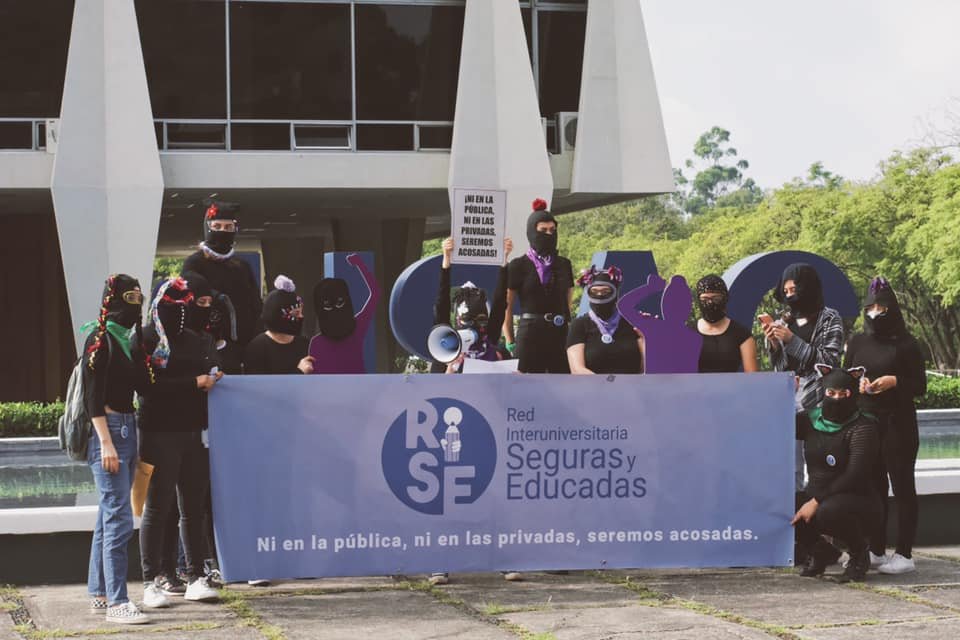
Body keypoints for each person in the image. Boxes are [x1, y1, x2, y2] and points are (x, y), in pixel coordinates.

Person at [138, 277, 223, 608]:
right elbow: (147, 386)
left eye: (186, 304)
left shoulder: (195, 339)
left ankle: (195, 576)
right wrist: (193, 383)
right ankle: (151, 580)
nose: (182, 312)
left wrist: (213, 377)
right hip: (158, 432)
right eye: (174, 305)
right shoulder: (146, 338)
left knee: (193, 507)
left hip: (193, 431)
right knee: (157, 506)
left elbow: (207, 370)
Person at [844, 277, 927, 574]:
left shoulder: (907, 344)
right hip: (868, 422)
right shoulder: (858, 341)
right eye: (870, 308)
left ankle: (904, 553)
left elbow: (920, 385)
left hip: (898, 423)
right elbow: (847, 375)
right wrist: (858, 384)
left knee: (902, 487)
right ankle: (876, 548)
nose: (875, 313)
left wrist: (895, 381)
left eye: (881, 308)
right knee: (874, 486)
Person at [81, 275, 151, 624]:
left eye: (139, 297)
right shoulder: (99, 339)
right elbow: (92, 397)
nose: (135, 304)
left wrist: (147, 351)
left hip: (127, 426)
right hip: (107, 431)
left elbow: (142, 386)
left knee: (107, 516)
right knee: (119, 519)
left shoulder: (128, 340)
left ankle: (99, 592)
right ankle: (118, 603)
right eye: (130, 297)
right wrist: (106, 442)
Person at [793, 364, 881, 583]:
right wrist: (785, 395)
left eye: (844, 394)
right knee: (783, 505)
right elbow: (775, 424)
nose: (836, 399)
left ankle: (859, 553)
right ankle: (821, 551)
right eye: (831, 393)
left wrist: (815, 501)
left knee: (828, 511)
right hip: (818, 495)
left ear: (853, 394)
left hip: (858, 501)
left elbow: (855, 475)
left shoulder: (863, 427)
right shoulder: (810, 420)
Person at [764, 263, 844, 499]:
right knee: (792, 468)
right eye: (786, 291)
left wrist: (792, 341)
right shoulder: (784, 320)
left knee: (820, 465)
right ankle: (796, 515)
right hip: (789, 403)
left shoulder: (830, 318)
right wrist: (774, 344)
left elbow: (829, 362)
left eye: (794, 289)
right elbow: (780, 367)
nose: (790, 296)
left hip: (819, 402)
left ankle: (821, 514)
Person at [504, 199, 574, 373]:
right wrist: (509, 339)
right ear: (532, 231)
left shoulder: (564, 264)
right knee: (523, 383)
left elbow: (568, 303)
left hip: (559, 333)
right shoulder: (518, 265)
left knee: (562, 382)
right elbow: (507, 307)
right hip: (529, 332)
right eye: (543, 230)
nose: (549, 234)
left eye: (552, 230)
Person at [182, 200, 262, 346]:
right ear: (208, 228)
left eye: (228, 227)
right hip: (207, 340)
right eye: (217, 226)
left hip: (244, 340)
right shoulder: (194, 262)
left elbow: (255, 303)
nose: (223, 231)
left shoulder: (242, 266)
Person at [433, 236, 513, 374]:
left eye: (481, 320)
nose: (473, 325)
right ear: (458, 320)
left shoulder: (492, 342)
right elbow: (442, 305)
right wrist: (446, 260)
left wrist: (504, 260)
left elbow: (500, 304)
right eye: (467, 320)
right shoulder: (446, 352)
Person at [308, 253, 380, 374]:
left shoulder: (316, 343)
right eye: (328, 305)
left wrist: (359, 263)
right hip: (359, 386)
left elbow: (314, 378)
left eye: (339, 303)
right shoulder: (358, 327)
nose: (335, 310)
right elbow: (375, 292)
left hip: (336, 387)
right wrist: (359, 263)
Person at [616, 274, 702, 373]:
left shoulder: (653, 327)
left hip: (654, 383)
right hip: (684, 383)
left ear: (664, 304)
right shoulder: (696, 339)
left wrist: (650, 288)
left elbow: (623, 305)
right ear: (688, 307)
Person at [567, 266, 644, 375]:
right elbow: (577, 369)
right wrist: (604, 384)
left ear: (615, 292)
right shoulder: (579, 325)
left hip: (631, 385)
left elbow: (646, 367)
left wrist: (646, 336)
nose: (599, 295)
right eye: (594, 291)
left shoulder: (632, 323)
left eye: (605, 291)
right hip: (593, 385)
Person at [244, 276, 314, 375]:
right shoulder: (257, 348)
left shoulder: (305, 344)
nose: (301, 317)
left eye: (301, 312)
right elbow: (260, 384)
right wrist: (299, 372)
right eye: (295, 313)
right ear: (277, 315)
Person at [694, 275, 758, 373]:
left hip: (732, 383)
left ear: (725, 299)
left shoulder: (742, 334)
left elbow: (752, 375)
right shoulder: (687, 333)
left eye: (716, 298)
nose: (710, 303)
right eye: (704, 299)